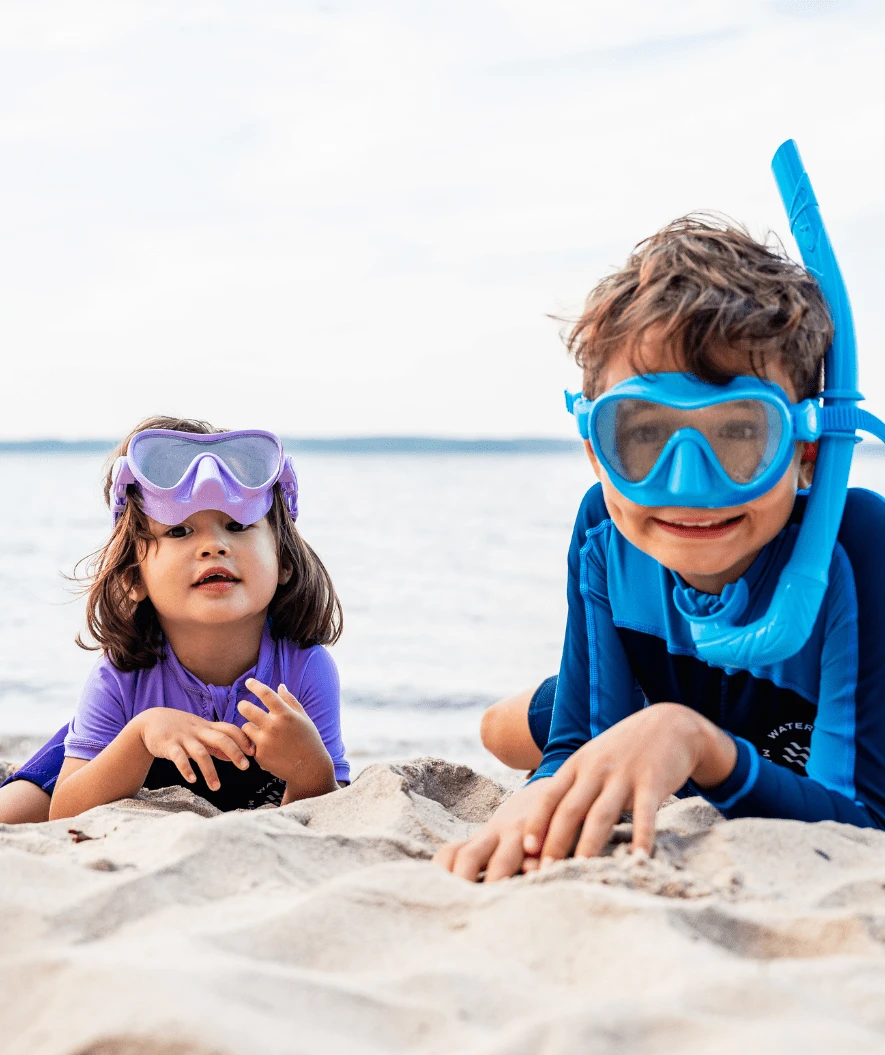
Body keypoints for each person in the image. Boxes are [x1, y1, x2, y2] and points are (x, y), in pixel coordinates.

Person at [436, 145, 885, 882]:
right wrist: (541, 792)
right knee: (498, 731)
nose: (685, 485)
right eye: (642, 436)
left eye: (739, 432)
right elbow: (576, 739)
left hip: (761, 723)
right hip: (661, 693)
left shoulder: (858, 548)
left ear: (806, 451)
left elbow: (863, 819)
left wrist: (695, 743)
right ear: (594, 449)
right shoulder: (601, 530)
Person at [0, 416, 348, 824]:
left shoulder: (306, 668)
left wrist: (310, 771)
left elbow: (327, 812)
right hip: (112, 750)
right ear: (134, 577)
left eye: (237, 526)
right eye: (180, 531)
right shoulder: (122, 675)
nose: (214, 546)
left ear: (284, 561)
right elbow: (65, 815)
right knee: (13, 815)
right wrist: (142, 733)